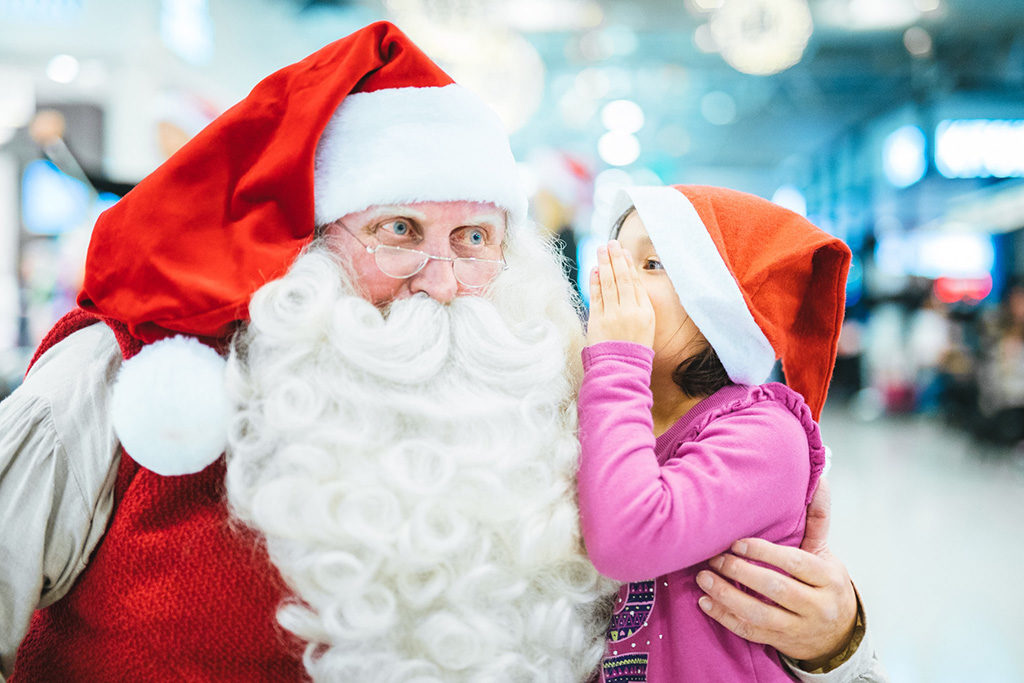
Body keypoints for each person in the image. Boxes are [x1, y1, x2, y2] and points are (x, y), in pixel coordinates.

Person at [0, 22, 881, 682]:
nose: (442, 278)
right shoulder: (130, 382)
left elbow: (706, 622)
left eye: (473, 239)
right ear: (313, 242)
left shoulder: (566, 391)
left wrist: (835, 635)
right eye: (398, 230)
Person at [576, 185, 888, 681]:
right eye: (615, 255)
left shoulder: (764, 433)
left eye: (653, 263)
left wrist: (617, 363)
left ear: (720, 310)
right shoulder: (608, 407)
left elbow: (626, 541)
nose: (615, 278)